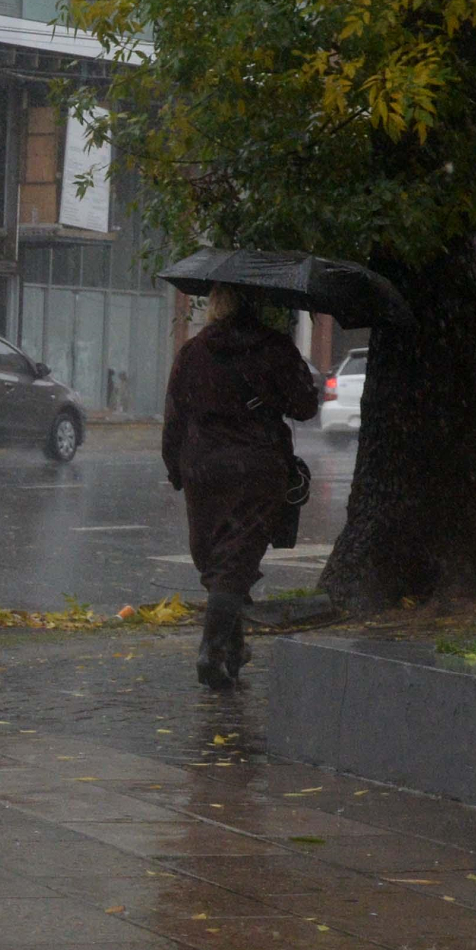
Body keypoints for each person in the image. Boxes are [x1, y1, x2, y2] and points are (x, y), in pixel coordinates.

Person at [162, 284, 320, 689]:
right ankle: (212, 652)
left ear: (215, 304)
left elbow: (175, 415)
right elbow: (304, 406)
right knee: (236, 560)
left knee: (217, 559)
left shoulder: (192, 352)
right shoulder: (273, 348)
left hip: (201, 466)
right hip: (254, 466)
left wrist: (176, 468)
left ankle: (230, 652)